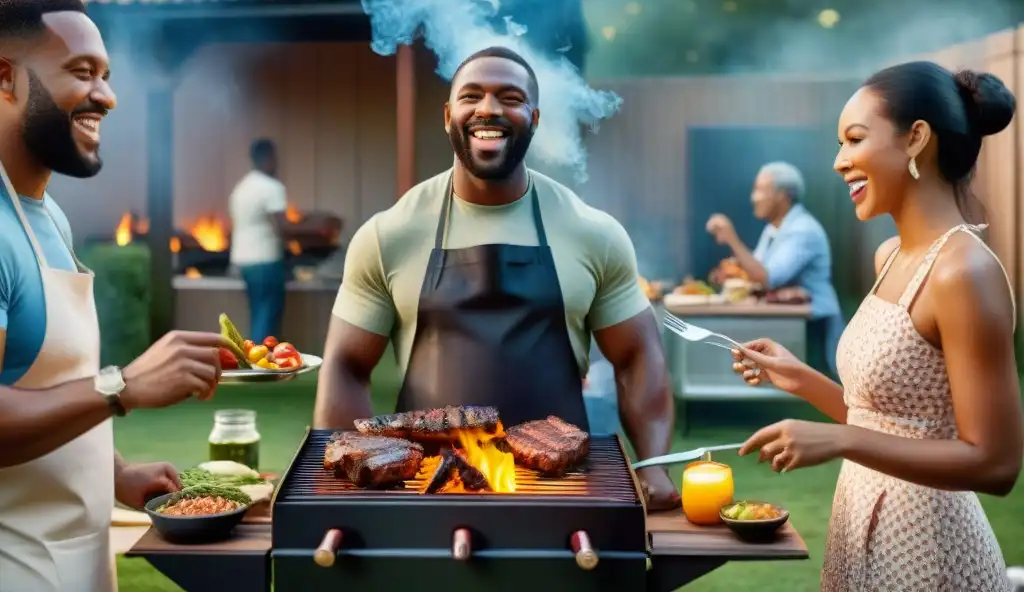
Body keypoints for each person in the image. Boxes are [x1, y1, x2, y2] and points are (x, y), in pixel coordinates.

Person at [313, 45, 680, 510]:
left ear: (535, 118)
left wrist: (654, 466)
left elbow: (637, 356)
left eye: (510, 97)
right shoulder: (390, 234)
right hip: (428, 491)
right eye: (471, 96)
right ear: (448, 115)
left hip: (562, 490)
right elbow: (345, 365)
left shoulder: (593, 232)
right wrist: (351, 476)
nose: (488, 108)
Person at [731, 61, 1022, 591]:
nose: (841, 162)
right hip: (862, 527)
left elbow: (996, 463)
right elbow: (888, 423)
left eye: (855, 139)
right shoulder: (889, 256)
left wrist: (841, 441)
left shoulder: (964, 271)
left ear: (916, 139)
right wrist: (798, 378)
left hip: (929, 554)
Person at [0, 0, 224, 592]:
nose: (107, 95)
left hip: (77, 563)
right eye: (81, 72)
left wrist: (116, 471)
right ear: (5, 79)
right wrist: (121, 386)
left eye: (106, 75)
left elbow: (43, 382)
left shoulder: (49, 217)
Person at [706, 161, 843, 375]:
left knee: (815, 387)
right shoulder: (773, 229)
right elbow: (753, 272)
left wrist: (732, 238)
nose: (754, 197)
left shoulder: (803, 230)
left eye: (760, 190)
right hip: (794, 319)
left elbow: (767, 277)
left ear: (783, 194)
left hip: (814, 323)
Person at [228, 138, 289, 345]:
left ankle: (253, 359)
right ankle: (259, 365)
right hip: (266, 260)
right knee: (267, 315)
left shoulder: (241, 188)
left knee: (257, 312)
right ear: (269, 158)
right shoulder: (272, 187)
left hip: (243, 261)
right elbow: (282, 227)